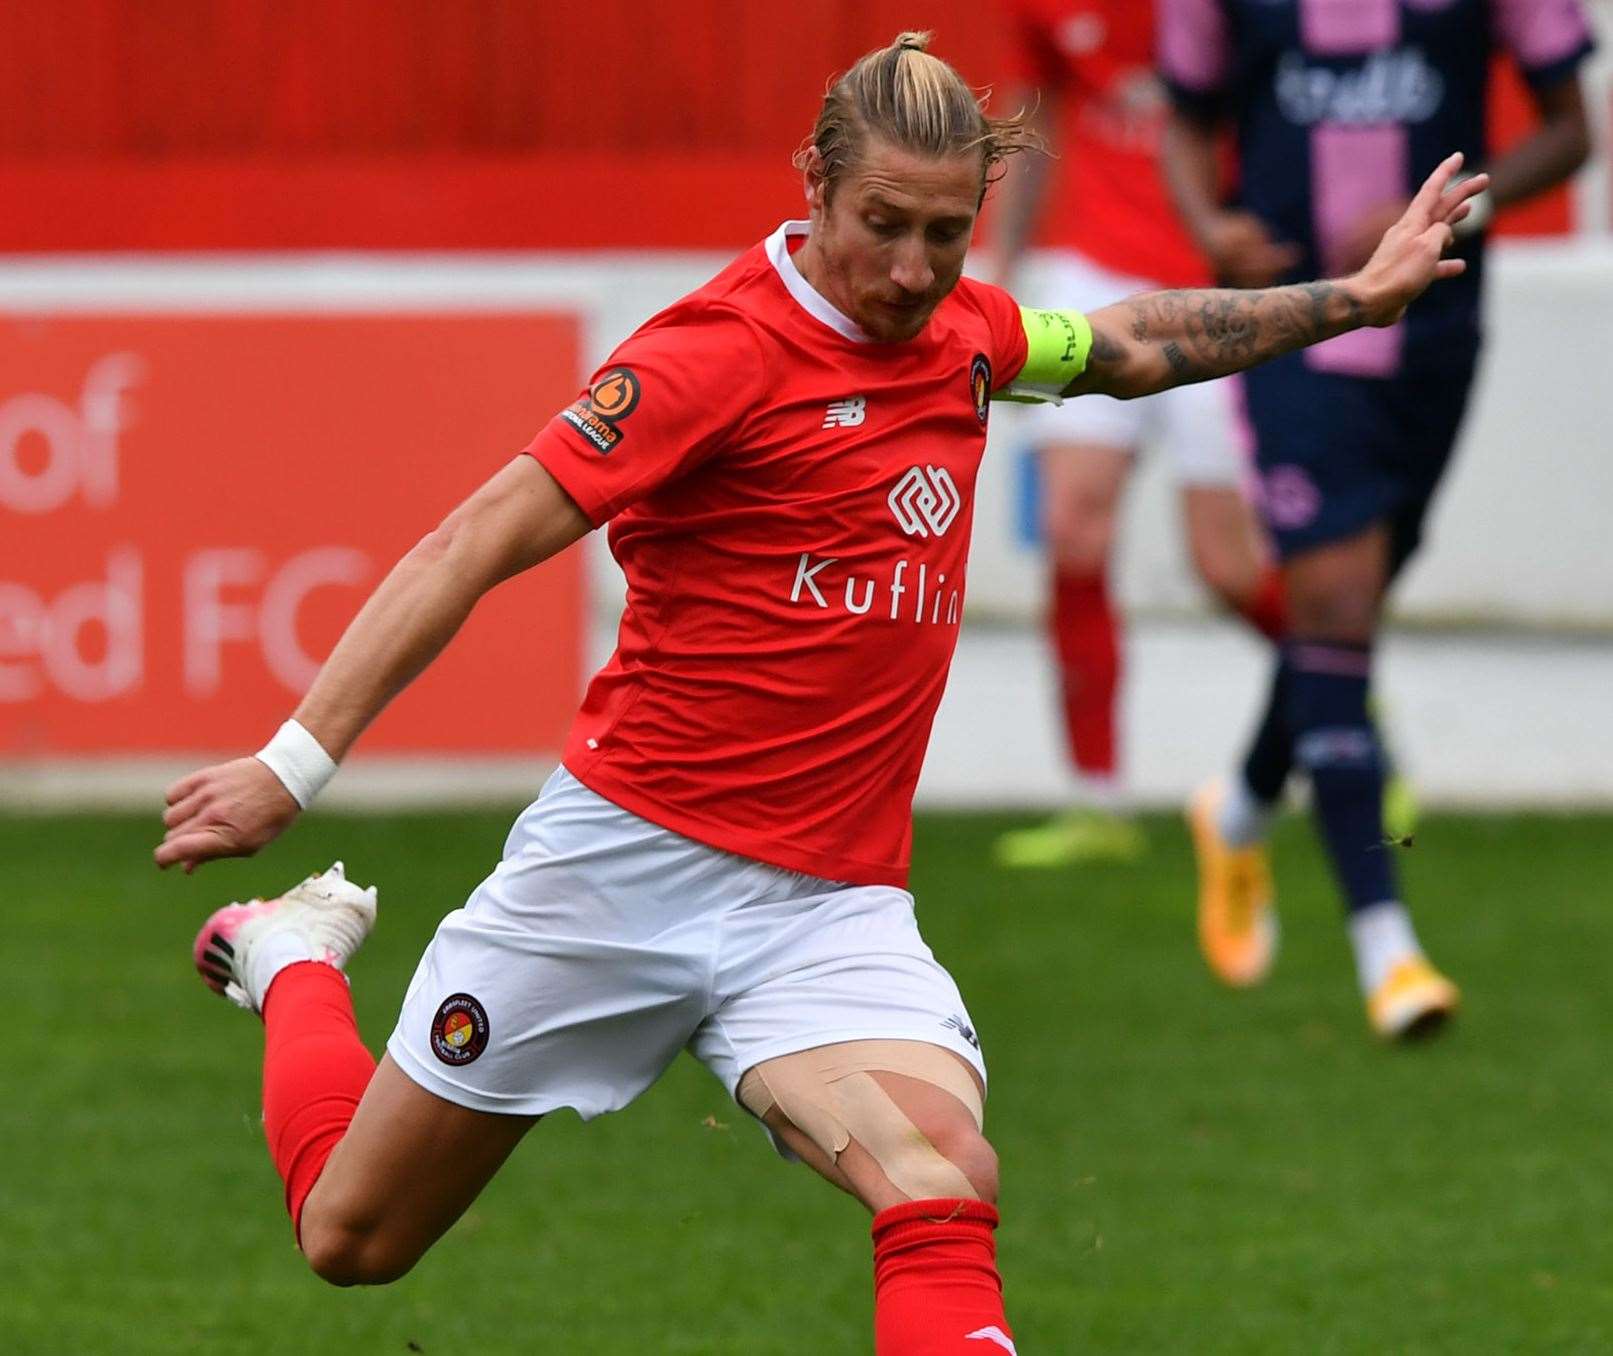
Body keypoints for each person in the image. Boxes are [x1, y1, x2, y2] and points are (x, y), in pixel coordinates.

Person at [155, 30, 1487, 1350]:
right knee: (352, 1240)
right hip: (620, 870)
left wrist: (1354, 299)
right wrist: (290, 765)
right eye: (881, 227)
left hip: (827, 905)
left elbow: (1129, 343)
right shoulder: (711, 357)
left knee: (941, 1175)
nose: (911, 271)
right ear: (812, 183)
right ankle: (292, 959)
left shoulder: (967, 329)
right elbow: (471, 542)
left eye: (946, 235)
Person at [1159, 0, 1594, 1038]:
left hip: (1435, 330)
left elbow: (1571, 129)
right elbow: (1183, 121)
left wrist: (1450, 214)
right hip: (1288, 320)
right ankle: (1385, 950)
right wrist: (1208, 228)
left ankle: (1240, 805)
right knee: (1337, 597)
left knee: (1343, 607)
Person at [991, 0, 1290, 870]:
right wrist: (1000, 267)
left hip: (1217, 292)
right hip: (1091, 275)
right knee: (1071, 529)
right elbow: (1037, 114)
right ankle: (1096, 802)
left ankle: (1345, 693)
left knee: (1224, 569)